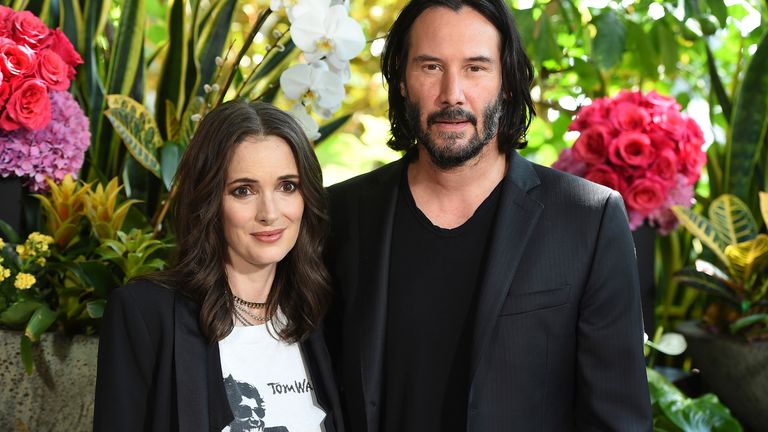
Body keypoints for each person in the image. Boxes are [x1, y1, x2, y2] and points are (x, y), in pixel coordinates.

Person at [324, 0, 652, 430]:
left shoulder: (588, 220)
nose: (452, 94)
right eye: (430, 67)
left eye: (476, 68)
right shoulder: (339, 216)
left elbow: (618, 421)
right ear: (402, 80)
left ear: (508, 83)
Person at [94, 101, 344, 432]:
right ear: (209, 201)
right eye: (243, 191)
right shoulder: (145, 313)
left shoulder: (322, 314)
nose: (269, 212)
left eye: (287, 186)